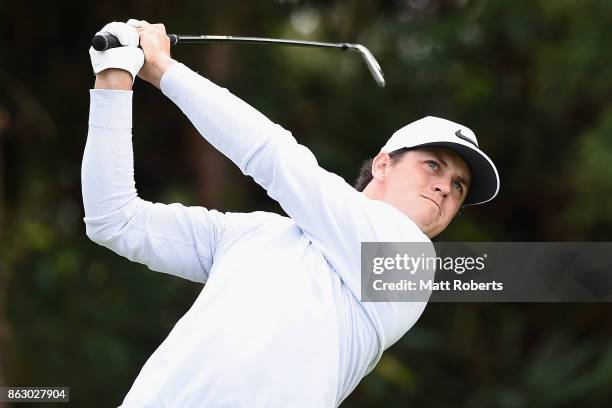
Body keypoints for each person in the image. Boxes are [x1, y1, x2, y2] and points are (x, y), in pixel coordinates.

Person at [82, 20, 499, 408]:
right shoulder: (253, 233)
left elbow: (274, 157)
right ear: (383, 164)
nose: (446, 187)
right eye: (434, 166)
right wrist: (114, 78)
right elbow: (116, 220)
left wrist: (161, 68)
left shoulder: (408, 264)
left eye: (459, 186)